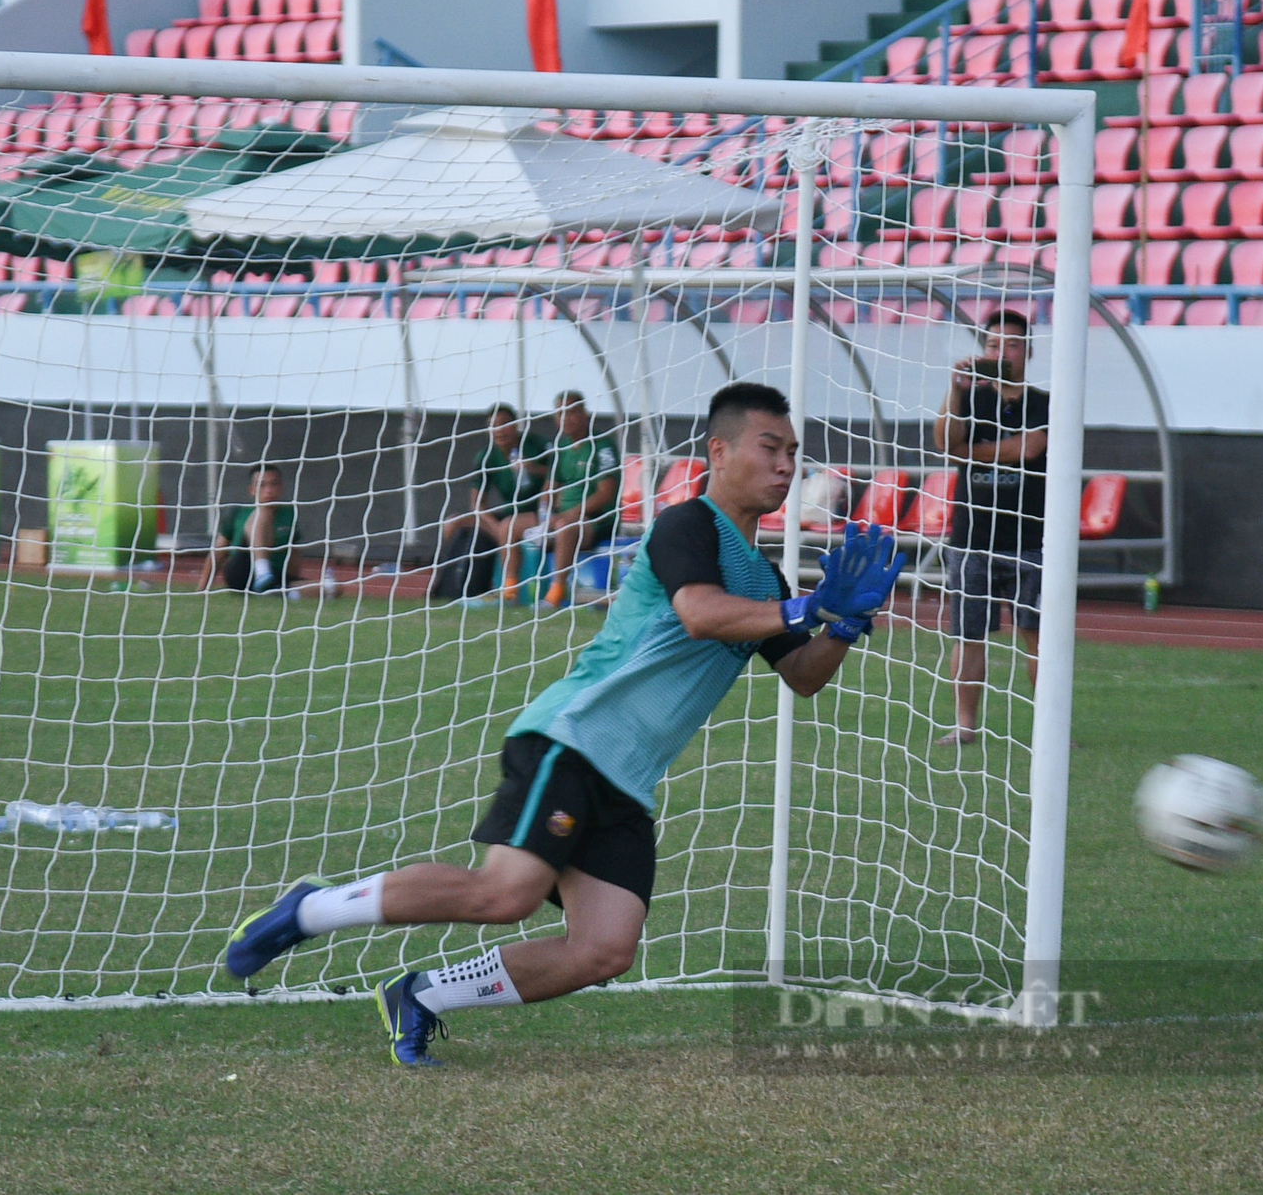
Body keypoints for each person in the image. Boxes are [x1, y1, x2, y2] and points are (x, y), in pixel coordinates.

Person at [221, 382, 906, 1066]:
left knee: (604, 949)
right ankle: (309, 909)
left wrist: (842, 624)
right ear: (719, 450)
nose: (787, 465)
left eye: (793, 452)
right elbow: (701, 611)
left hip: (628, 782)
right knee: (504, 892)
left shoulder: (766, 579)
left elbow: (804, 675)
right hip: (573, 741)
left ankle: (421, 996)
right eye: (771, 447)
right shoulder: (688, 525)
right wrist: (805, 608)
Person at [932, 308, 1050, 747]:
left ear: (1029, 352)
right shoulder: (971, 398)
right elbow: (946, 444)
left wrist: (974, 452)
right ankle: (965, 725)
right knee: (967, 635)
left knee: (1038, 637)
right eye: (994, 345)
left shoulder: (1045, 402)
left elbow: (1033, 447)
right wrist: (956, 390)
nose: (1003, 353)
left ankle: (1048, 729)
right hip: (972, 540)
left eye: (1013, 345)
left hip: (1032, 540)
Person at [450, 403, 550, 603]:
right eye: (493, 425)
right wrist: (495, 528)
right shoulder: (486, 456)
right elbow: (477, 504)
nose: (499, 430)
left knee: (508, 526)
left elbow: (559, 477)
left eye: (504, 424)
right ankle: (449, 584)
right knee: (453, 522)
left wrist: (532, 468)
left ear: (516, 426)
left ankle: (509, 589)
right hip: (508, 514)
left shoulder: (537, 445)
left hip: (539, 513)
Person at [540, 390, 621, 609]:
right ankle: (510, 590)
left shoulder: (602, 446)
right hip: (562, 517)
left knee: (566, 527)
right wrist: (544, 514)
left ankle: (556, 592)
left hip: (597, 521)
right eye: (560, 414)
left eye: (571, 412)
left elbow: (605, 494)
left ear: (585, 414)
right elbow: (549, 489)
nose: (565, 419)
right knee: (511, 525)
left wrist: (569, 515)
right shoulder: (561, 448)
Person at [204, 463, 298, 593]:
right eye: (262, 485)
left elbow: (293, 553)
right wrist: (202, 588)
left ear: (281, 487)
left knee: (329, 588)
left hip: (274, 576)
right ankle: (262, 571)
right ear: (252, 490)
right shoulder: (238, 512)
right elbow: (219, 551)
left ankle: (276, 592)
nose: (268, 490)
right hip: (242, 569)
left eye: (273, 484)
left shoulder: (290, 514)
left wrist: (292, 580)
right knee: (263, 511)